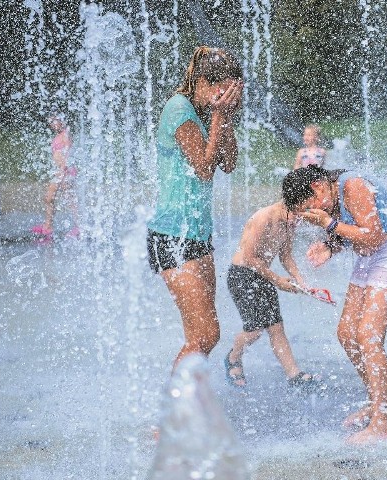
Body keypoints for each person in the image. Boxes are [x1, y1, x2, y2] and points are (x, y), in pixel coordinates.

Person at [282, 165, 387, 445]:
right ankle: (377, 401)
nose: (313, 215)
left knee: (368, 336)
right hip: (373, 254)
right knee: (347, 333)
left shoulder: (352, 186)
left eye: (310, 208)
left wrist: (329, 225)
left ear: (318, 187)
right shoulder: (336, 194)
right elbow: (358, 231)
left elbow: (373, 235)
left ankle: (382, 424)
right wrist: (331, 246)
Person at [146, 46, 243, 371]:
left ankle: (187, 410)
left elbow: (228, 163)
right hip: (172, 234)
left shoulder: (204, 114)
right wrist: (218, 116)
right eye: (223, 90)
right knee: (204, 336)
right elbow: (203, 167)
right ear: (204, 81)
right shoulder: (179, 108)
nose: (226, 96)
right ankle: (169, 419)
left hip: (198, 235)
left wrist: (225, 118)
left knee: (203, 336)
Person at [223, 201, 322, 391]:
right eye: (297, 215)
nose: (298, 221)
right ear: (287, 204)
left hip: (262, 275)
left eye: (302, 217)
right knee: (255, 330)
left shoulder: (289, 222)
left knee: (277, 328)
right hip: (241, 275)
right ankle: (233, 357)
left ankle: (294, 376)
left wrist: (301, 282)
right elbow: (250, 258)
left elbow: (285, 257)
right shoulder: (264, 217)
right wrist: (277, 281)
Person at [31, 115, 79, 239]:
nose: (52, 124)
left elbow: (69, 152)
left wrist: (63, 168)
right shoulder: (58, 135)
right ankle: (48, 226)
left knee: (69, 199)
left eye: (54, 121)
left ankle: (79, 226)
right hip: (59, 171)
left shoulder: (66, 134)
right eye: (50, 121)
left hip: (65, 171)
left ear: (61, 120)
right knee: (49, 198)